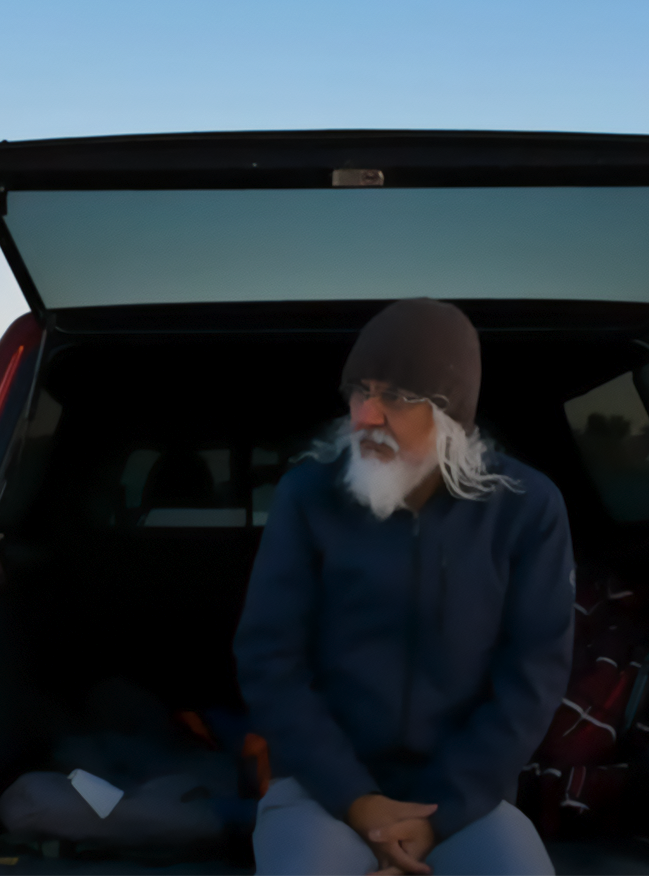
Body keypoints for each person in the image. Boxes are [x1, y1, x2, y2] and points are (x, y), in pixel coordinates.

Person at [234, 298, 574, 876]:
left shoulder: (526, 507)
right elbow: (270, 661)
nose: (365, 416)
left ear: (450, 413)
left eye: (394, 396)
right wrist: (357, 800)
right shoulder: (307, 497)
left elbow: (533, 675)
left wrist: (434, 820)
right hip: (322, 792)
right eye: (359, 391)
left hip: (463, 801)